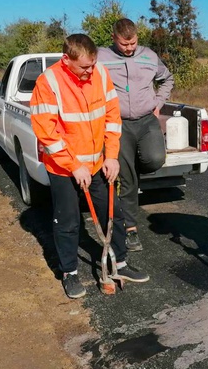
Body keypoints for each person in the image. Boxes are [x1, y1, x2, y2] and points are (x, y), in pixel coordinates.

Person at [31, 33, 150, 299]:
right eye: (84, 66)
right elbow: (46, 133)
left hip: (97, 163)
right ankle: (69, 273)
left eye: (93, 64)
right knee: (68, 221)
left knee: (113, 214)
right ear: (66, 59)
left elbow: (111, 117)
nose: (89, 71)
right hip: (63, 168)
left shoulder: (100, 74)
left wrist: (111, 156)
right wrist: (73, 166)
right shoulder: (48, 82)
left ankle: (121, 264)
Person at [97, 18, 174, 253]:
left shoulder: (149, 56)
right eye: (124, 44)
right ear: (114, 39)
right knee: (128, 181)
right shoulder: (101, 57)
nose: (129, 48)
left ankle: (132, 167)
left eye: (133, 44)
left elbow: (167, 79)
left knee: (155, 159)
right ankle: (130, 229)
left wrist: (159, 101)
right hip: (118, 124)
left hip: (146, 120)